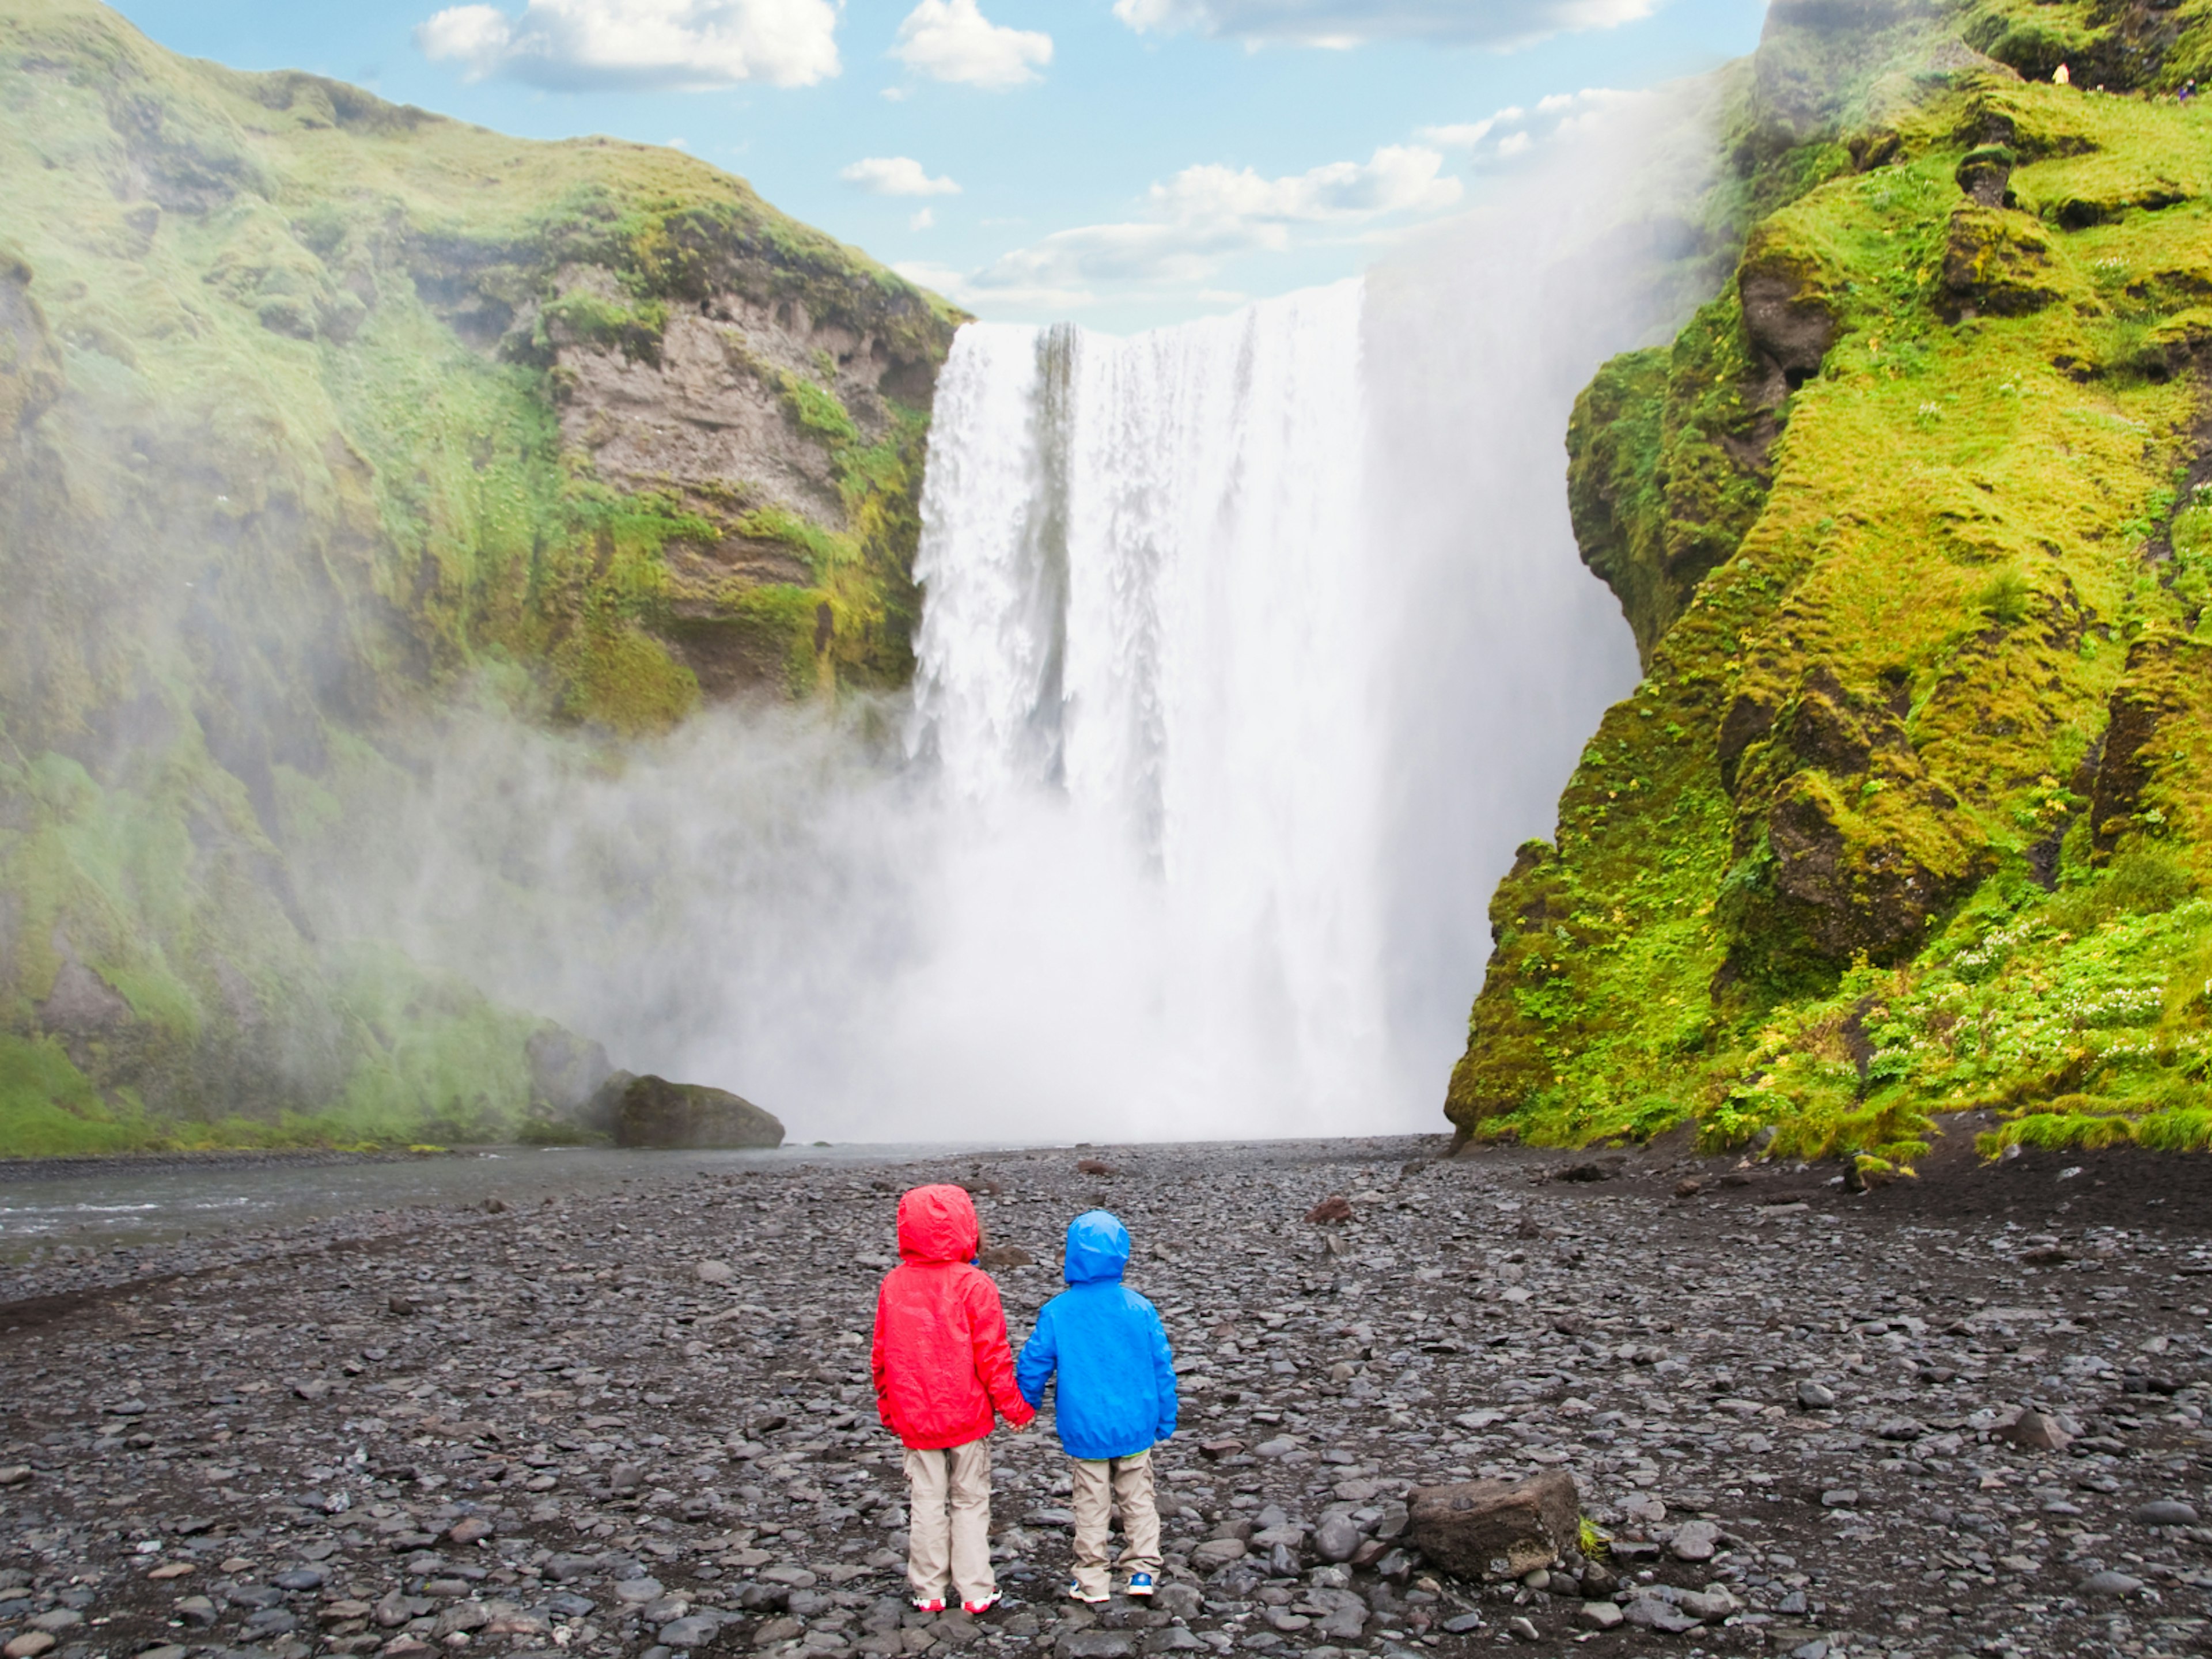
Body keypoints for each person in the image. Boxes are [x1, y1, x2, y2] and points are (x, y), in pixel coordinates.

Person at [871, 1183, 1036, 1616]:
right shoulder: (975, 1284)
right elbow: (993, 1356)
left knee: (926, 1501)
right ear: (968, 1227)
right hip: (967, 1415)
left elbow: (883, 1355)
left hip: (916, 1416)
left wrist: (889, 1409)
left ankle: (929, 1590)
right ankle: (976, 1588)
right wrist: (1014, 1408)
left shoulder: (894, 1284)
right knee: (970, 1500)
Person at [1015, 1210, 1178, 1604]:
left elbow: (1034, 1362)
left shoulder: (1059, 1310)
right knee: (1138, 1497)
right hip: (1135, 1424)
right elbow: (1162, 1366)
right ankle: (1142, 1570)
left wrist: (1024, 1404)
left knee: (1091, 1502)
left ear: (1073, 1254)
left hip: (1085, 1425)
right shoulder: (1139, 1307)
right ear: (1121, 1253)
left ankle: (1092, 1579)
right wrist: (1166, 1416)